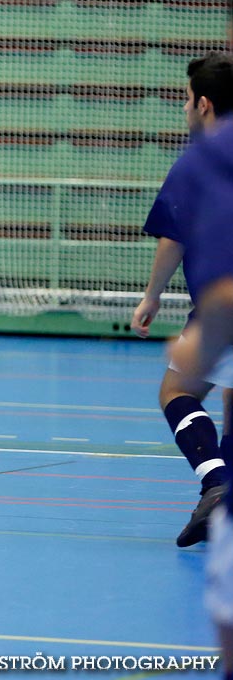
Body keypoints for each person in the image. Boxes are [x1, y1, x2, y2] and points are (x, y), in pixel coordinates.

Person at [133, 51, 233, 545]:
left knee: (176, 392)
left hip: (224, 307)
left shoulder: (203, 159)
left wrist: (151, 296)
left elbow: (173, 235)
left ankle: (216, 483)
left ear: (206, 104)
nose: (186, 108)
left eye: (187, 99)